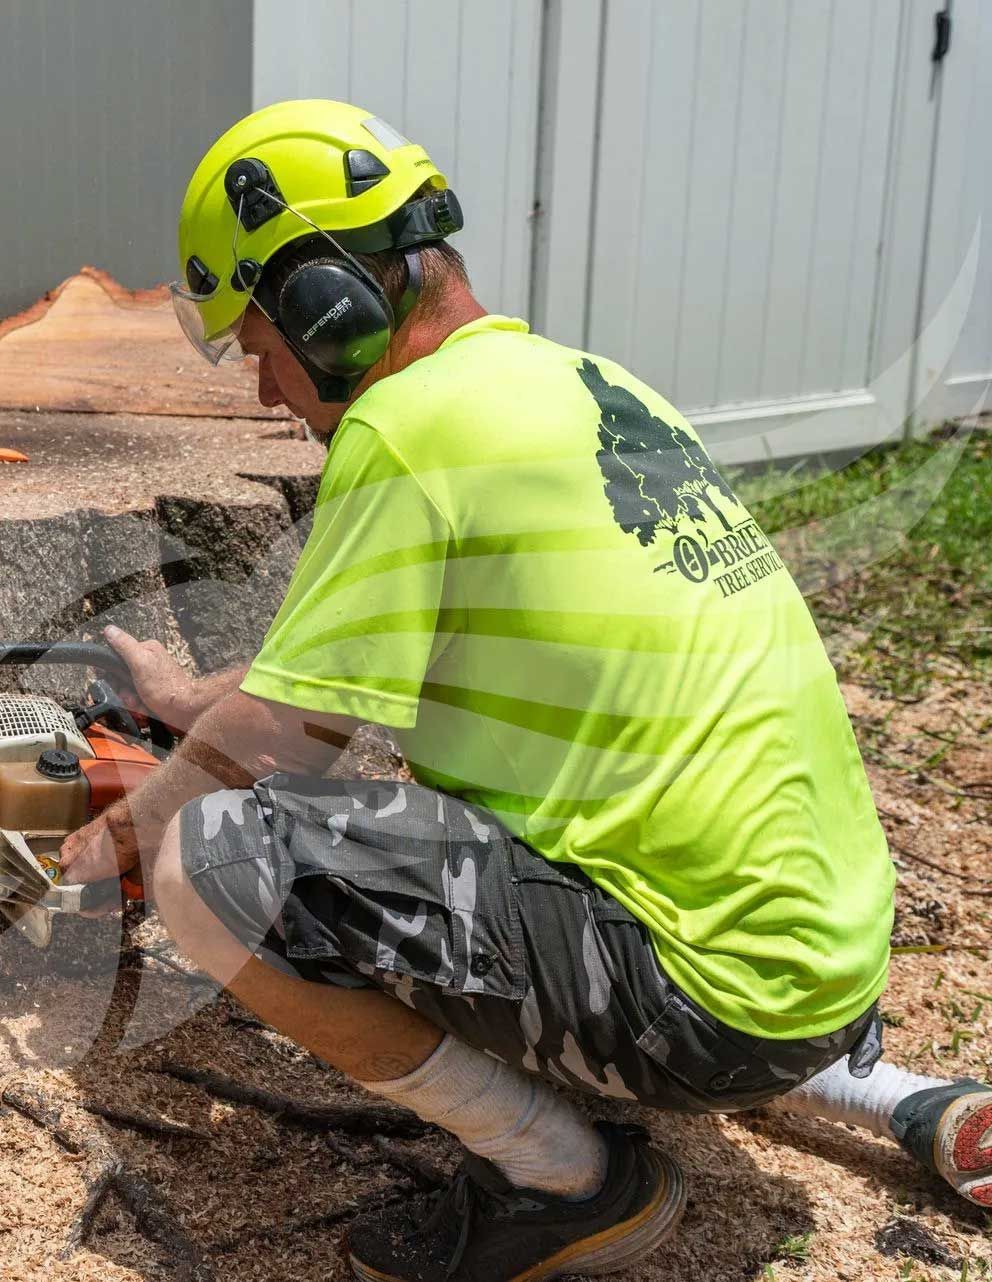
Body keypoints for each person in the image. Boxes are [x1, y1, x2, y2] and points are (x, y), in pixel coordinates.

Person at [57, 99, 991, 1282]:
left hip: (705, 995)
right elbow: (351, 670)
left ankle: (560, 1178)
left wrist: (110, 845)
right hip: (825, 951)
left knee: (211, 858)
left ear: (323, 307)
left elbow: (286, 743)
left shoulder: (404, 428)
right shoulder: (585, 385)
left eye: (259, 345)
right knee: (588, 862)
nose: (263, 393)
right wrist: (197, 697)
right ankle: (885, 1093)